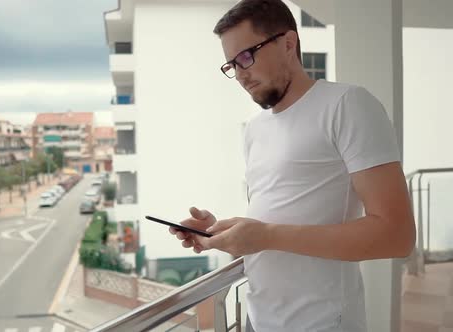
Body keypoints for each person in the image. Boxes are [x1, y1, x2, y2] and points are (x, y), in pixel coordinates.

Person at [169, 1, 415, 331]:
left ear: (288, 43)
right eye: (231, 64)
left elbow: (396, 235)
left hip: (323, 322)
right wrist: (219, 233)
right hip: (260, 318)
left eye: (246, 56)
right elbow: (277, 216)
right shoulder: (255, 128)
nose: (241, 73)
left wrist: (267, 236)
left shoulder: (347, 105)